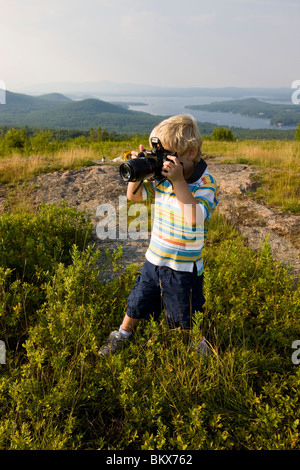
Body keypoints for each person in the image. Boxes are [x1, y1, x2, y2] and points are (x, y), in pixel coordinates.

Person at [98, 115, 219, 356]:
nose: (162, 161)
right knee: (138, 300)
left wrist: (177, 182)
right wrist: (139, 169)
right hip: (154, 260)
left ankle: (197, 344)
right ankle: (122, 333)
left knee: (186, 312)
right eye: (158, 154)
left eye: (167, 155)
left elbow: (194, 216)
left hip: (184, 267)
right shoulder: (162, 180)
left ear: (191, 153)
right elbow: (134, 196)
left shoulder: (205, 182)